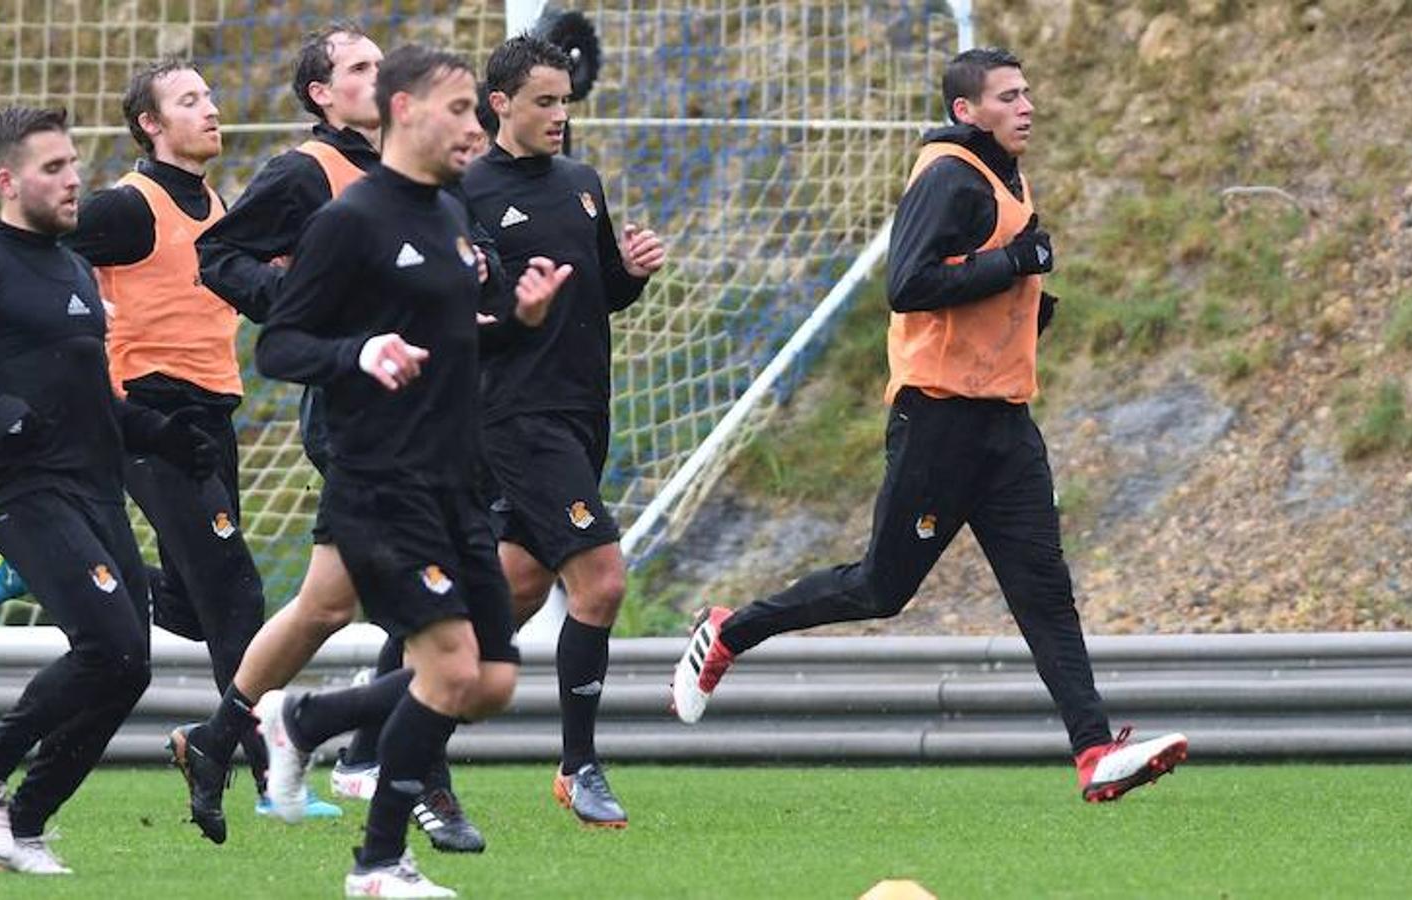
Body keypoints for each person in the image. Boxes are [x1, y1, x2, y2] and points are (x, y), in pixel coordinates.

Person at [670, 47, 1188, 803]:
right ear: (964, 112)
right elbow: (906, 284)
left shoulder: (1004, 172)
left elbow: (985, 279)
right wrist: (1013, 263)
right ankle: (728, 632)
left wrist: (1023, 304)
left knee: (1044, 591)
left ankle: (1092, 751)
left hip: (1004, 425)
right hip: (939, 419)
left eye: (1027, 92)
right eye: (1008, 96)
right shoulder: (948, 172)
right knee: (881, 589)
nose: (1026, 106)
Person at [253, 44, 570, 898]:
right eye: (460, 109)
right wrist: (360, 352)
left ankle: (303, 717)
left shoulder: (448, 216)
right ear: (402, 110)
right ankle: (377, 865)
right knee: (451, 671)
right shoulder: (350, 220)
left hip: (456, 480)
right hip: (378, 483)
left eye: (476, 110)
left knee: (492, 683)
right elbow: (278, 344)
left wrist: (520, 319)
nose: (475, 126)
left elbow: (462, 341)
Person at [176, 24, 489, 852]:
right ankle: (406, 785)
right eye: (358, 68)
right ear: (322, 94)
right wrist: (314, 317)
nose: (378, 75)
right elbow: (219, 255)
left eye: (381, 64)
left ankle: (218, 739)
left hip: (427, 415)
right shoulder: (306, 173)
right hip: (360, 414)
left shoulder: (421, 179)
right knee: (437, 602)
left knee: (325, 604)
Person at [0, 105, 217, 873]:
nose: (74, 179)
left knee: (130, 665)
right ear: (7, 181)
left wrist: (164, 434)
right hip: (26, 494)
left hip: (97, 491)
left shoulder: (73, 268)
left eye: (74, 163)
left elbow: (94, 401)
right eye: (53, 168)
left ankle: (26, 826)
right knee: (106, 646)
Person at [460, 35, 666, 828]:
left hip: (582, 414)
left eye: (565, 101)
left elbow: (601, 293)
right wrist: (516, 311)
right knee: (602, 581)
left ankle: (365, 726)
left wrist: (631, 273)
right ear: (500, 103)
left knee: (507, 592)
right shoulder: (467, 193)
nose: (559, 115)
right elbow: (466, 321)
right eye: (543, 102)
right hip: (514, 417)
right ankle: (579, 765)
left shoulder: (580, 183)